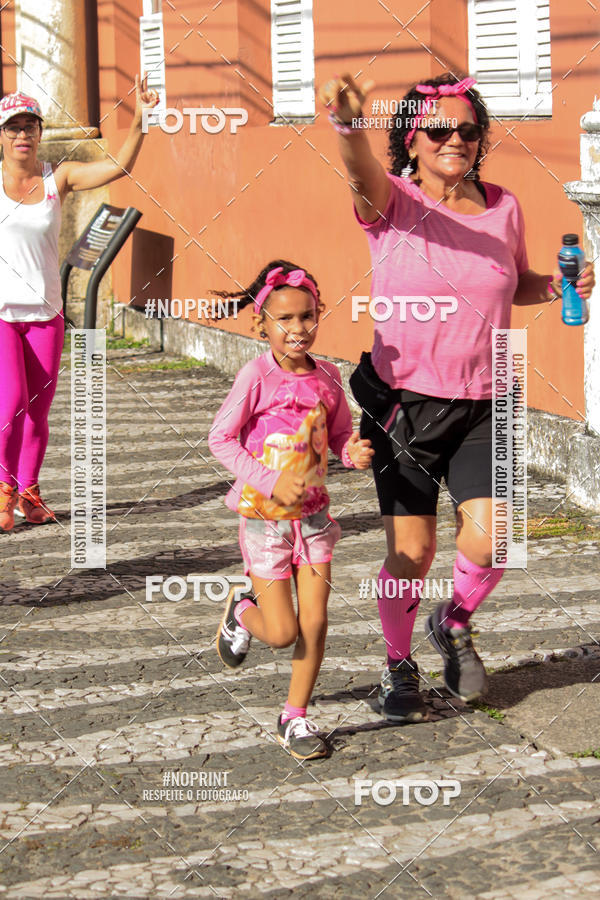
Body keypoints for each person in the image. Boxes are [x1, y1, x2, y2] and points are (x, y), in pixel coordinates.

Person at [319, 73, 595, 722]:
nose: (456, 141)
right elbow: (358, 167)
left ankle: (454, 621)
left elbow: (511, 283)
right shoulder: (390, 204)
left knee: (496, 540)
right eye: (439, 130)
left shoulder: (504, 205)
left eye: (469, 130)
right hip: (403, 409)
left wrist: (554, 288)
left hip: (486, 403)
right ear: (411, 140)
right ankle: (397, 663)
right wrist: (348, 124)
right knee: (412, 554)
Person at [208, 261, 373, 759]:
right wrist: (269, 478)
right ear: (261, 324)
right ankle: (242, 610)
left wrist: (351, 453)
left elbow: (341, 433)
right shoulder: (256, 376)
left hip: (317, 520)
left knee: (316, 623)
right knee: (281, 633)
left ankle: (295, 717)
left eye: (307, 317)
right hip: (265, 521)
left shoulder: (328, 376)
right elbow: (220, 438)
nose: (298, 328)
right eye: (285, 320)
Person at [0, 76, 158, 531]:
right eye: (13, 127)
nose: (22, 135)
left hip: (46, 314)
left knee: (38, 411)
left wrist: (140, 123)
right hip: (3, 315)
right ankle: (4, 488)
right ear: (2, 134)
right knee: (9, 402)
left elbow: (117, 168)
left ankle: (29, 492)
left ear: (40, 132)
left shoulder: (58, 176)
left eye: (30, 126)